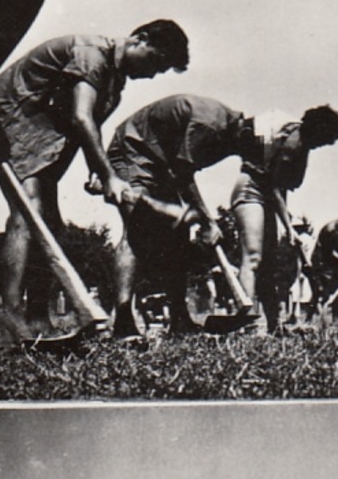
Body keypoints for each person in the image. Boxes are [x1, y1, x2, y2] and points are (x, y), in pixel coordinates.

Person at [0, 21, 189, 338]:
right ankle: (9, 320)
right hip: (11, 120)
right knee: (29, 215)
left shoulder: (114, 85)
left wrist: (98, 173)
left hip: (42, 136)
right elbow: (81, 118)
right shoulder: (92, 55)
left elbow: (86, 130)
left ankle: (39, 316)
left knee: (49, 224)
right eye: (154, 62)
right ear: (140, 39)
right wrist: (110, 176)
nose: (152, 74)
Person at [101, 93, 255, 335]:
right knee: (136, 230)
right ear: (244, 135)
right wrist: (207, 222)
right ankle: (122, 321)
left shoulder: (230, 130)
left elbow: (178, 170)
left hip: (161, 163)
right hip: (133, 149)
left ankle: (179, 319)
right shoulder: (210, 126)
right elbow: (183, 174)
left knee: (179, 237)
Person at [231, 106, 338, 332]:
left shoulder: (301, 145)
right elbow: (275, 187)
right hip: (251, 191)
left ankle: (275, 325)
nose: (324, 145)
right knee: (253, 256)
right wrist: (289, 227)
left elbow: (280, 190)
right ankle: (248, 325)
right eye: (325, 140)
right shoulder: (294, 144)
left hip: (270, 197)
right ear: (318, 130)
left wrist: (285, 221)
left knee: (269, 264)